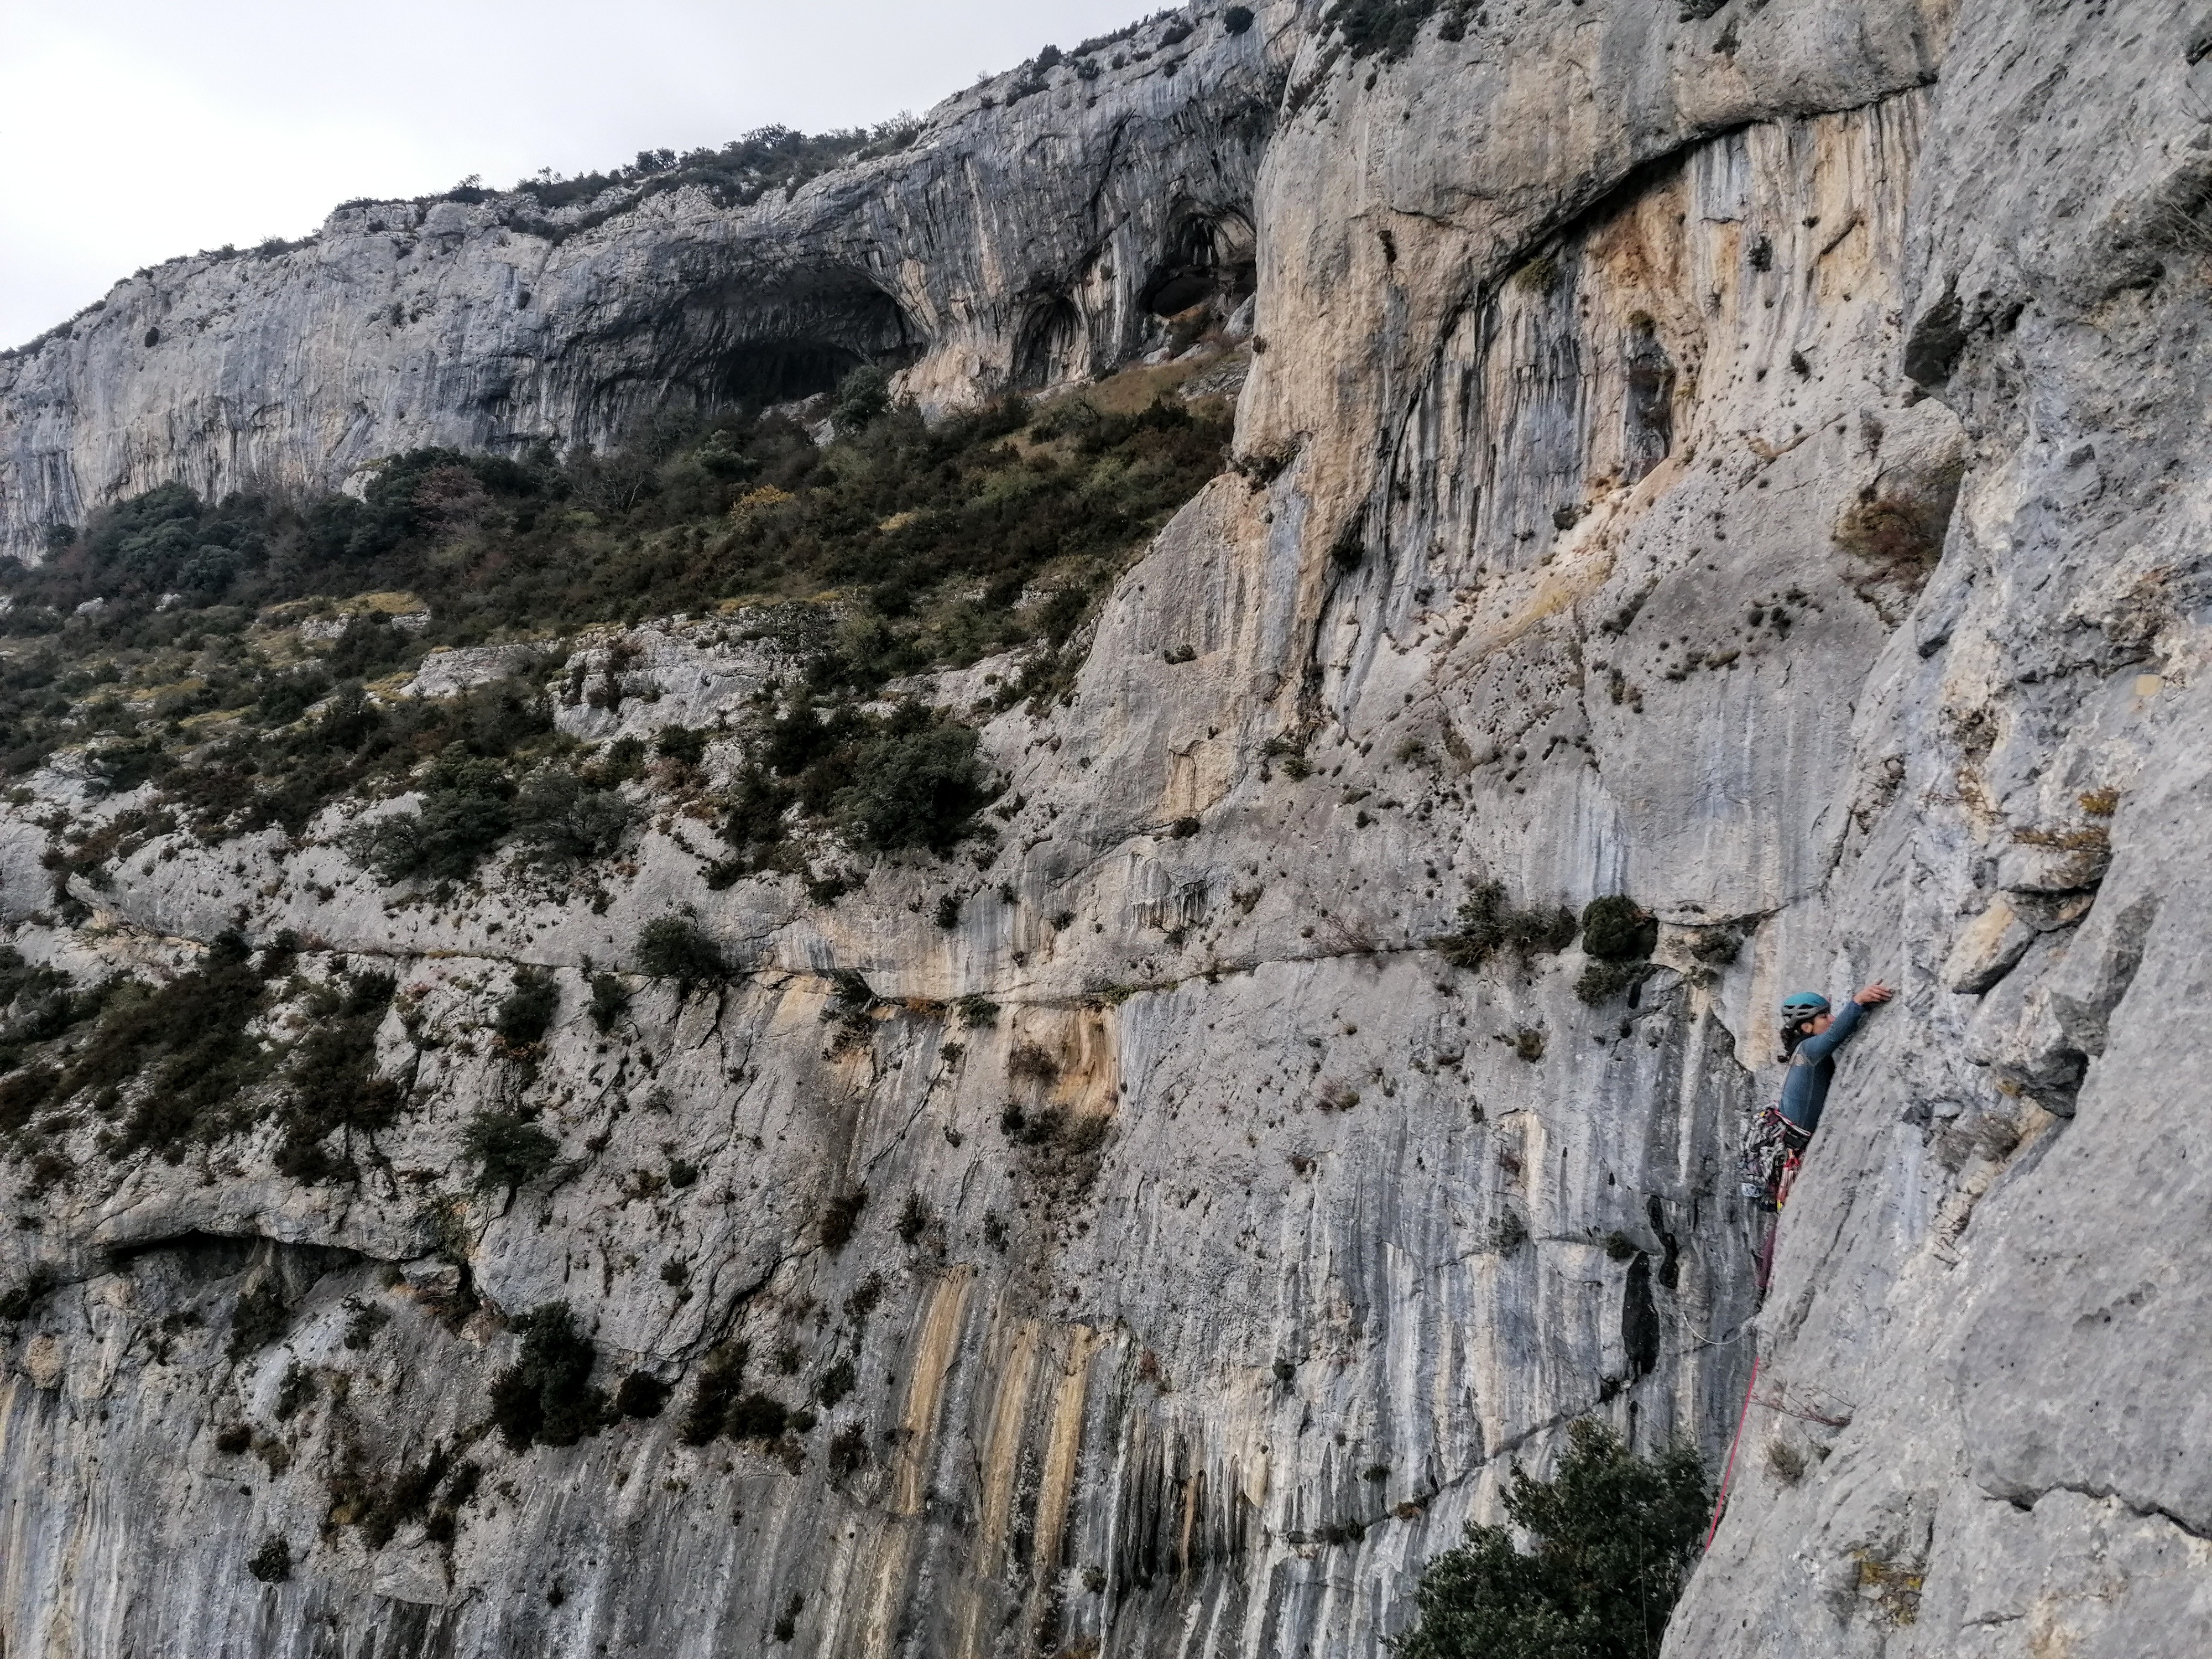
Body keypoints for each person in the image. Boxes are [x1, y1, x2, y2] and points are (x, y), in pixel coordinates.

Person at [1741, 982, 1893, 1290]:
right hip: (1790, 1148)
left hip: (1786, 1137)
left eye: (1830, 1014)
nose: (1831, 1020)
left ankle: (1764, 1278)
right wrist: (1859, 1002)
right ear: (1808, 1026)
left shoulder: (1804, 1049)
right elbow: (1838, 1035)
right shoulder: (1810, 1049)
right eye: (1825, 1016)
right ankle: (1765, 1280)